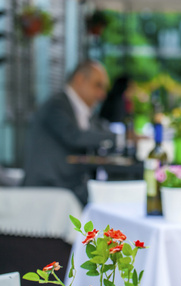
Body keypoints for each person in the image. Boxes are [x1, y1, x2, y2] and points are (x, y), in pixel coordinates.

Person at [22, 60, 116, 206]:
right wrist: (120, 138)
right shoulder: (56, 105)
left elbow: (100, 132)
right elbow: (74, 136)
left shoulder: (84, 112)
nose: (102, 94)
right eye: (98, 85)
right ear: (79, 79)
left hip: (68, 189)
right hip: (47, 190)